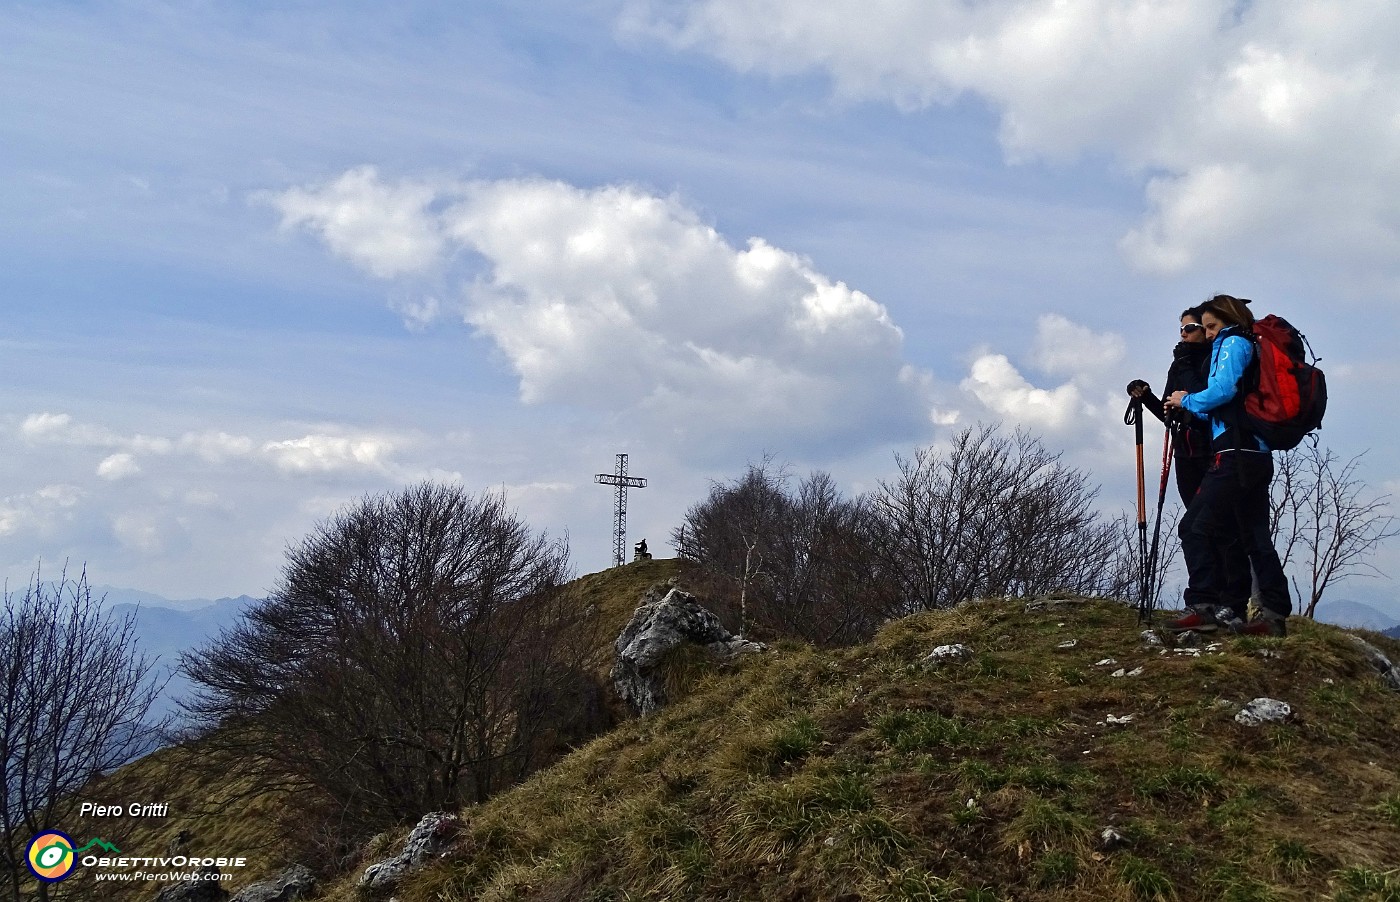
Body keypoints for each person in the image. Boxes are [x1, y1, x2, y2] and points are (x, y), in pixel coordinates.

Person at [1163, 295, 1291, 636]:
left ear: (1228, 319)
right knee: (1254, 537)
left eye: (1210, 326)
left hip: (1235, 455)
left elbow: (1221, 390)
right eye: (1203, 327)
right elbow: (1222, 405)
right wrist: (1188, 407)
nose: (1206, 334)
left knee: (1194, 526)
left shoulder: (1233, 341)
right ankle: (1273, 617)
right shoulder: (1248, 344)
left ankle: (1203, 604)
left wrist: (1184, 399)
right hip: (1254, 454)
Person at [1126, 306, 1214, 503]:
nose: (1183, 333)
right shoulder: (1179, 362)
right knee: (1193, 515)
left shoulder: (1213, 358)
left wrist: (1183, 364)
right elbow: (1167, 413)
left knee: (1212, 517)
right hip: (1184, 452)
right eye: (1181, 328)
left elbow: (1207, 397)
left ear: (1205, 328)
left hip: (1211, 449)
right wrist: (1144, 395)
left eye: (1190, 327)